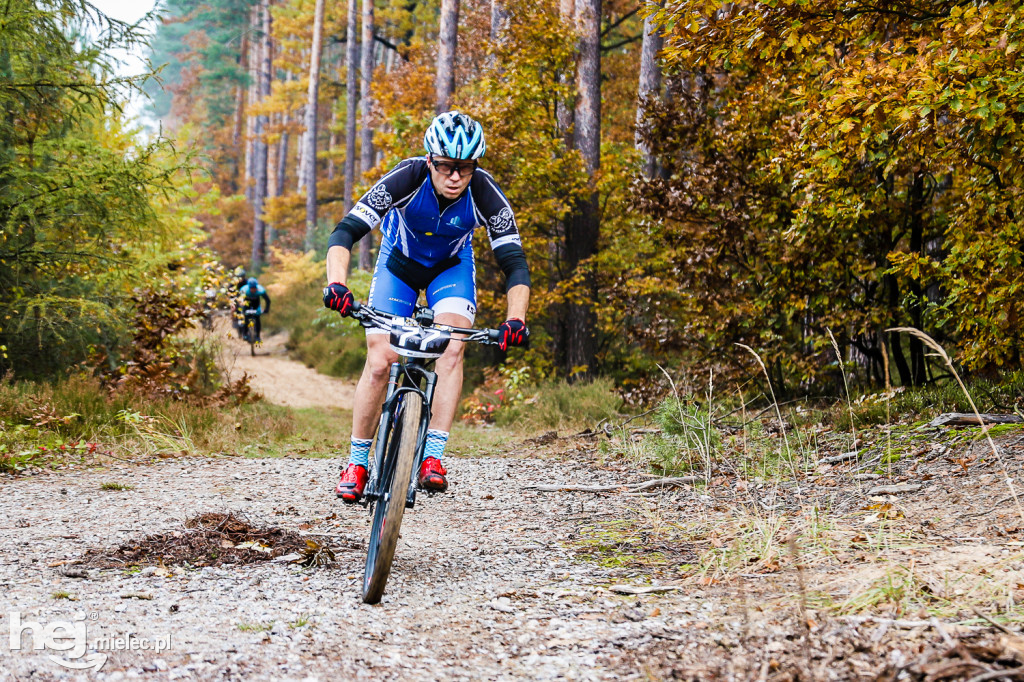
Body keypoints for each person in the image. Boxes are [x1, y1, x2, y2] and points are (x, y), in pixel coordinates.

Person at [323, 111, 531, 503]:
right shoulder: (407, 177)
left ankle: (432, 457)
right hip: (397, 265)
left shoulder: (486, 194)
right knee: (381, 358)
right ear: (431, 160)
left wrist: (515, 319)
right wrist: (337, 283)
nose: (455, 176)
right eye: (448, 166)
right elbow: (345, 231)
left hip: (449, 270)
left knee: (453, 348)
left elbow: (515, 264)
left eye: (465, 168)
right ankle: (356, 462)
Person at [238, 276, 271, 343]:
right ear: (249, 287)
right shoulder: (244, 290)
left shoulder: (260, 290)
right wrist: (240, 308)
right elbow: (239, 300)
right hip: (246, 304)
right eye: (251, 288)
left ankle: (258, 336)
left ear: (256, 287)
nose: (253, 290)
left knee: (257, 318)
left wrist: (266, 309)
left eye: (254, 288)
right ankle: (245, 334)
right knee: (246, 318)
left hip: (256, 305)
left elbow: (268, 300)